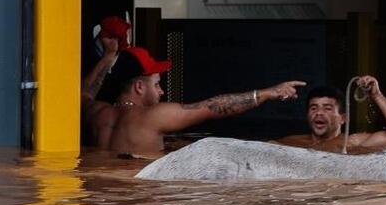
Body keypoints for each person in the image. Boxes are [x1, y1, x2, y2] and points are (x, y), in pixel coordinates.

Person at [102, 46, 305, 155]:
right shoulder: (153, 116)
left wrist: (107, 57)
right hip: (139, 195)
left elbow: (84, 92)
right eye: (156, 84)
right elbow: (213, 107)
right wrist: (268, 93)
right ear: (139, 87)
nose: (161, 91)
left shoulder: (95, 113)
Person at [274, 76, 386, 153]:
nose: (319, 113)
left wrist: (376, 95)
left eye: (327, 108)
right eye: (313, 108)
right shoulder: (291, 142)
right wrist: (269, 93)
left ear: (343, 118)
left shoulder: (354, 142)